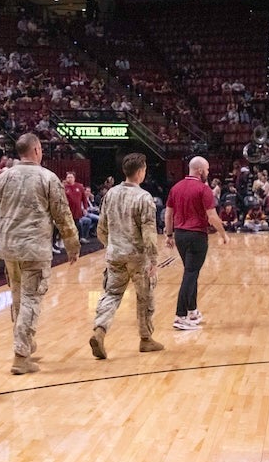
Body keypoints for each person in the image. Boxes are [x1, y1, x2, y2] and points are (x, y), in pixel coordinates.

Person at [0, 133, 79, 374]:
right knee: (31, 300)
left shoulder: (2, 178)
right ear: (36, 150)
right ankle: (20, 355)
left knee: (18, 298)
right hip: (35, 249)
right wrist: (72, 244)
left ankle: (25, 343)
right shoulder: (47, 178)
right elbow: (63, 215)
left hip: (9, 248)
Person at [89, 153, 164, 359]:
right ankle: (146, 338)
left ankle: (100, 330)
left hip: (115, 254)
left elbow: (101, 228)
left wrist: (110, 245)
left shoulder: (111, 193)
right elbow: (149, 233)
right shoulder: (144, 197)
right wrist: (153, 260)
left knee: (111, 294)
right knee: (144, 296)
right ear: (140, 172)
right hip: (138, 257)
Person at [163, 156, 229, 331]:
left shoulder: (176, 187)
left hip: (180, 235)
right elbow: (212, 216)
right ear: (200, 170)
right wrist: (224, 235)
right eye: (207, 170)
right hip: (197, 236)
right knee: (190, 274)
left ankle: (192, 311)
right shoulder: (203, 189)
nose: (208, 173)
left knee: (190, 272)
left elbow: (168, 215)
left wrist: (169, 235)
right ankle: (180, 315)